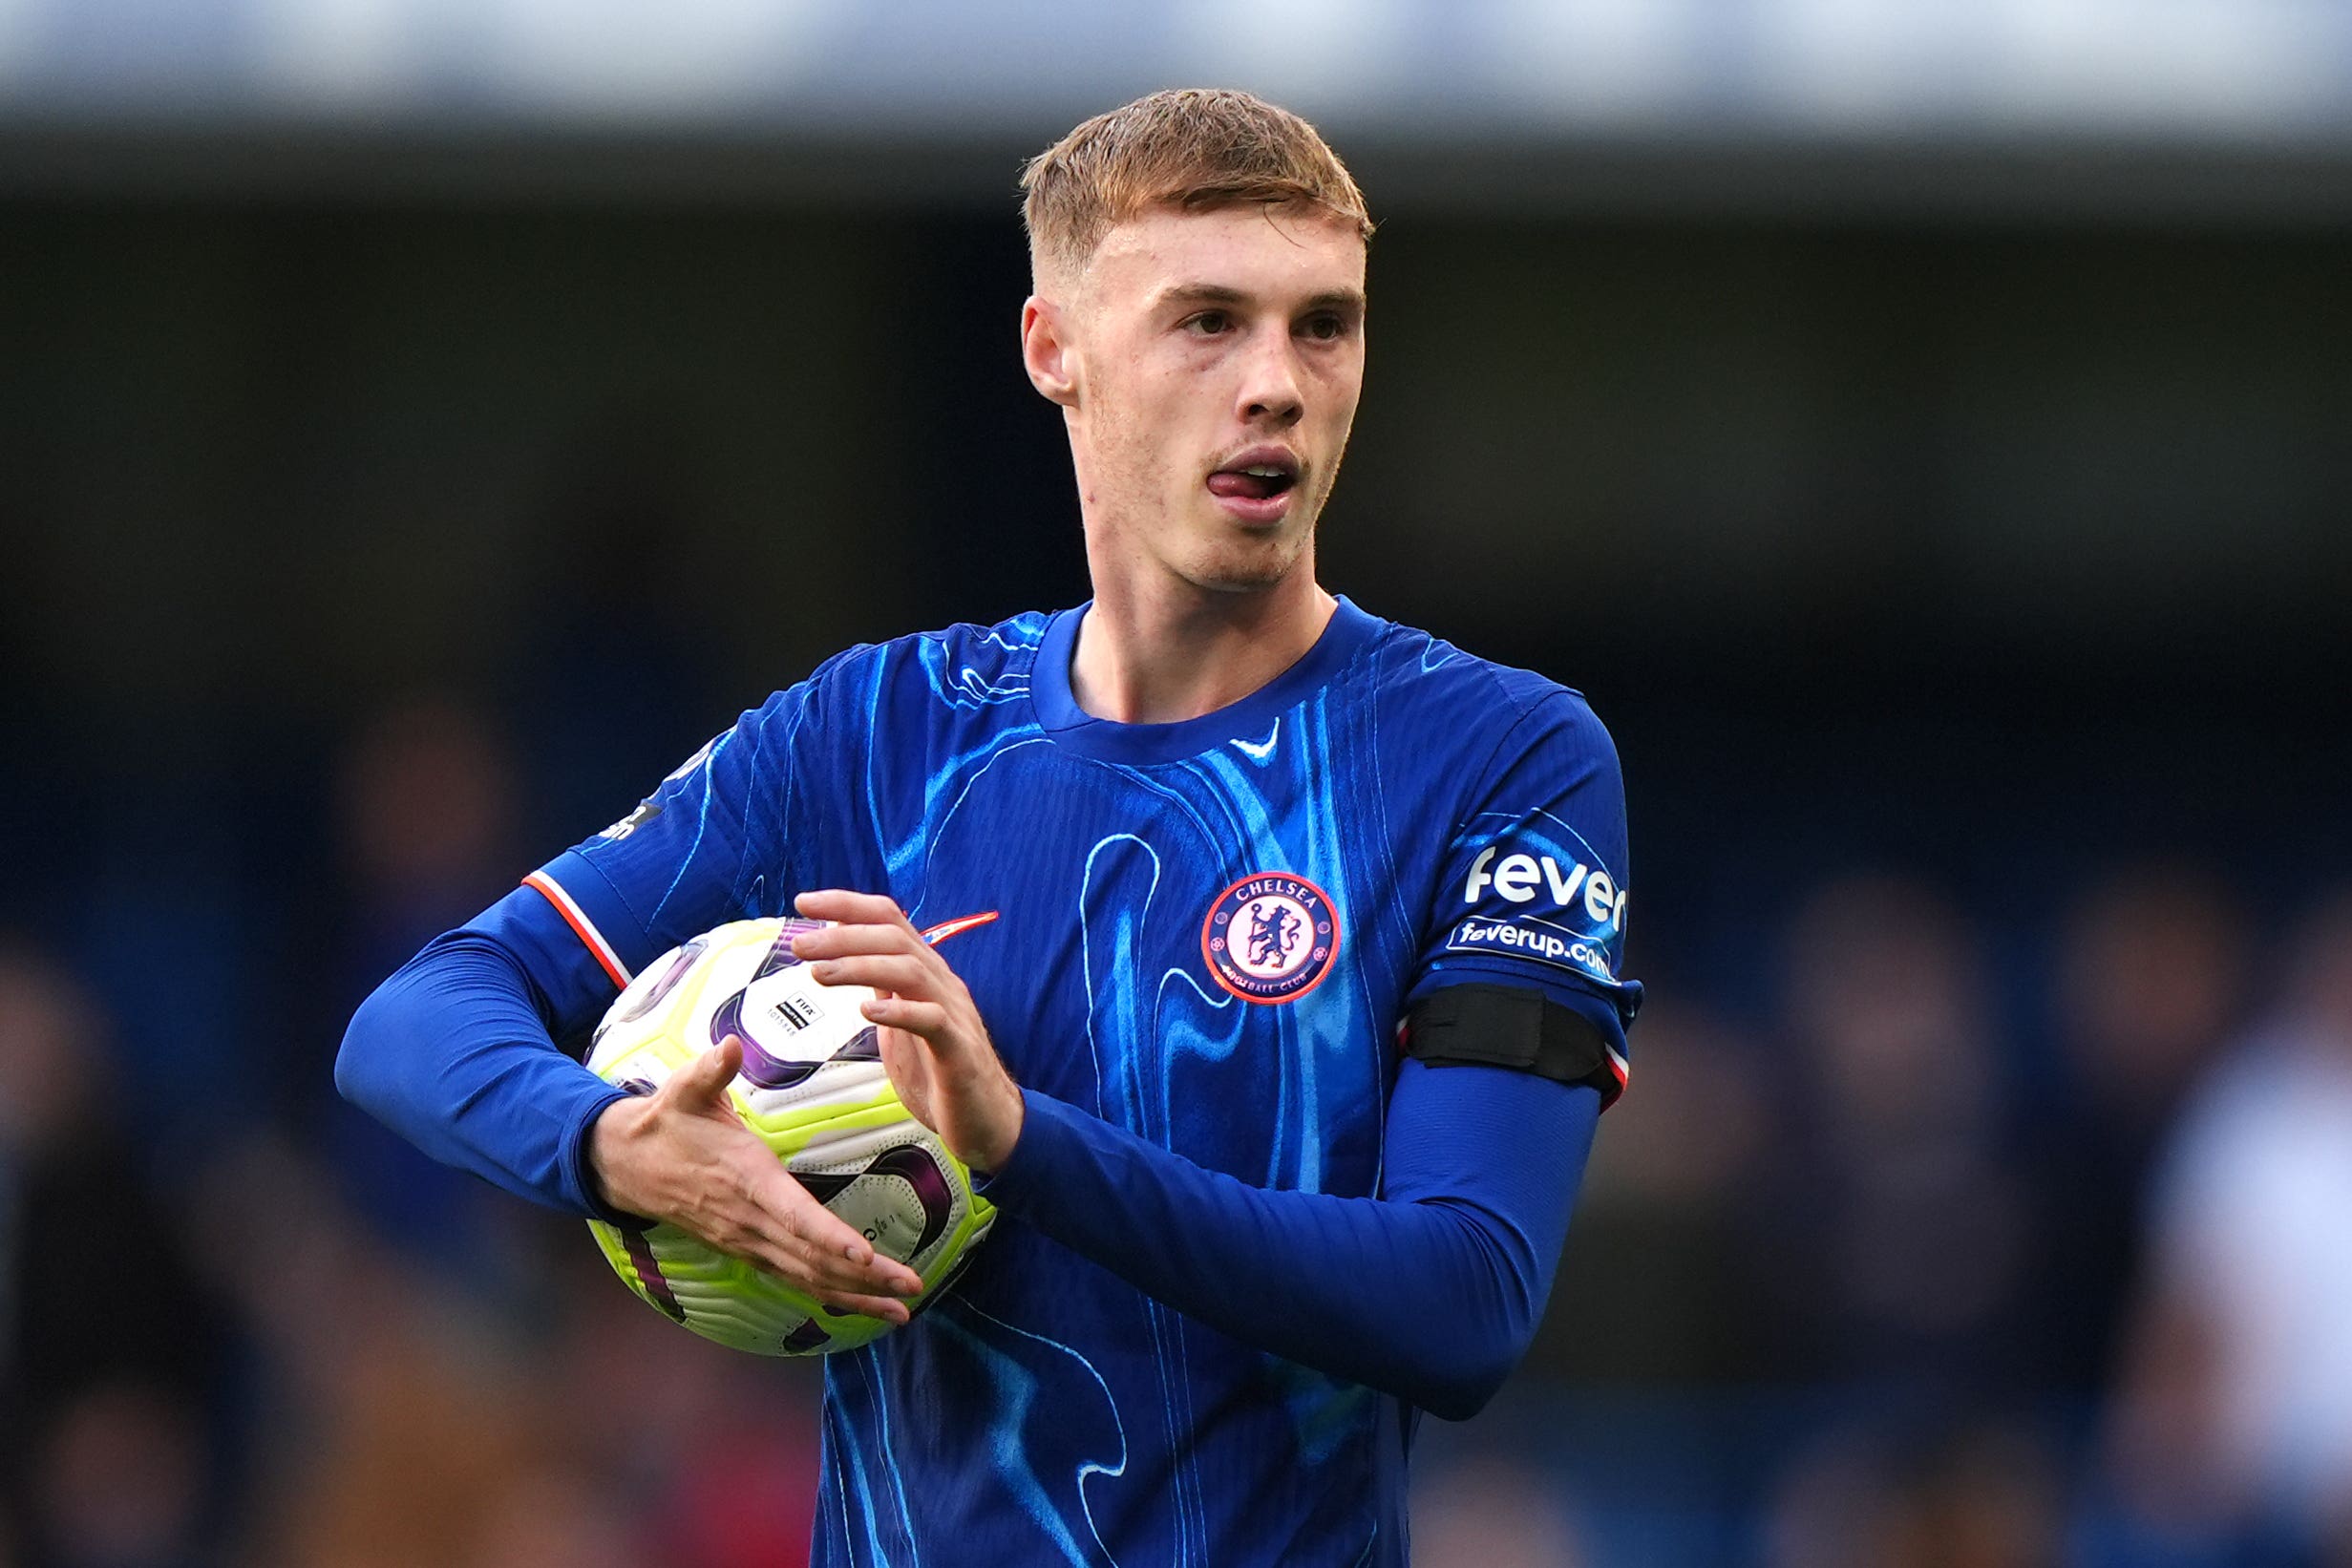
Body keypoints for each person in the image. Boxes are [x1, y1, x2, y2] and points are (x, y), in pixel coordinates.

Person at [338, 88, 1642, 1567]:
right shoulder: (875, 733)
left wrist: (1017, 1140)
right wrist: (618, 1142)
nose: (1275, 381)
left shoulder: (1496, 754)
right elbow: (419, 1013)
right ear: (1055, 351)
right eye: (1207, 321)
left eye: (1322, 325)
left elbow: (1464, 1299)